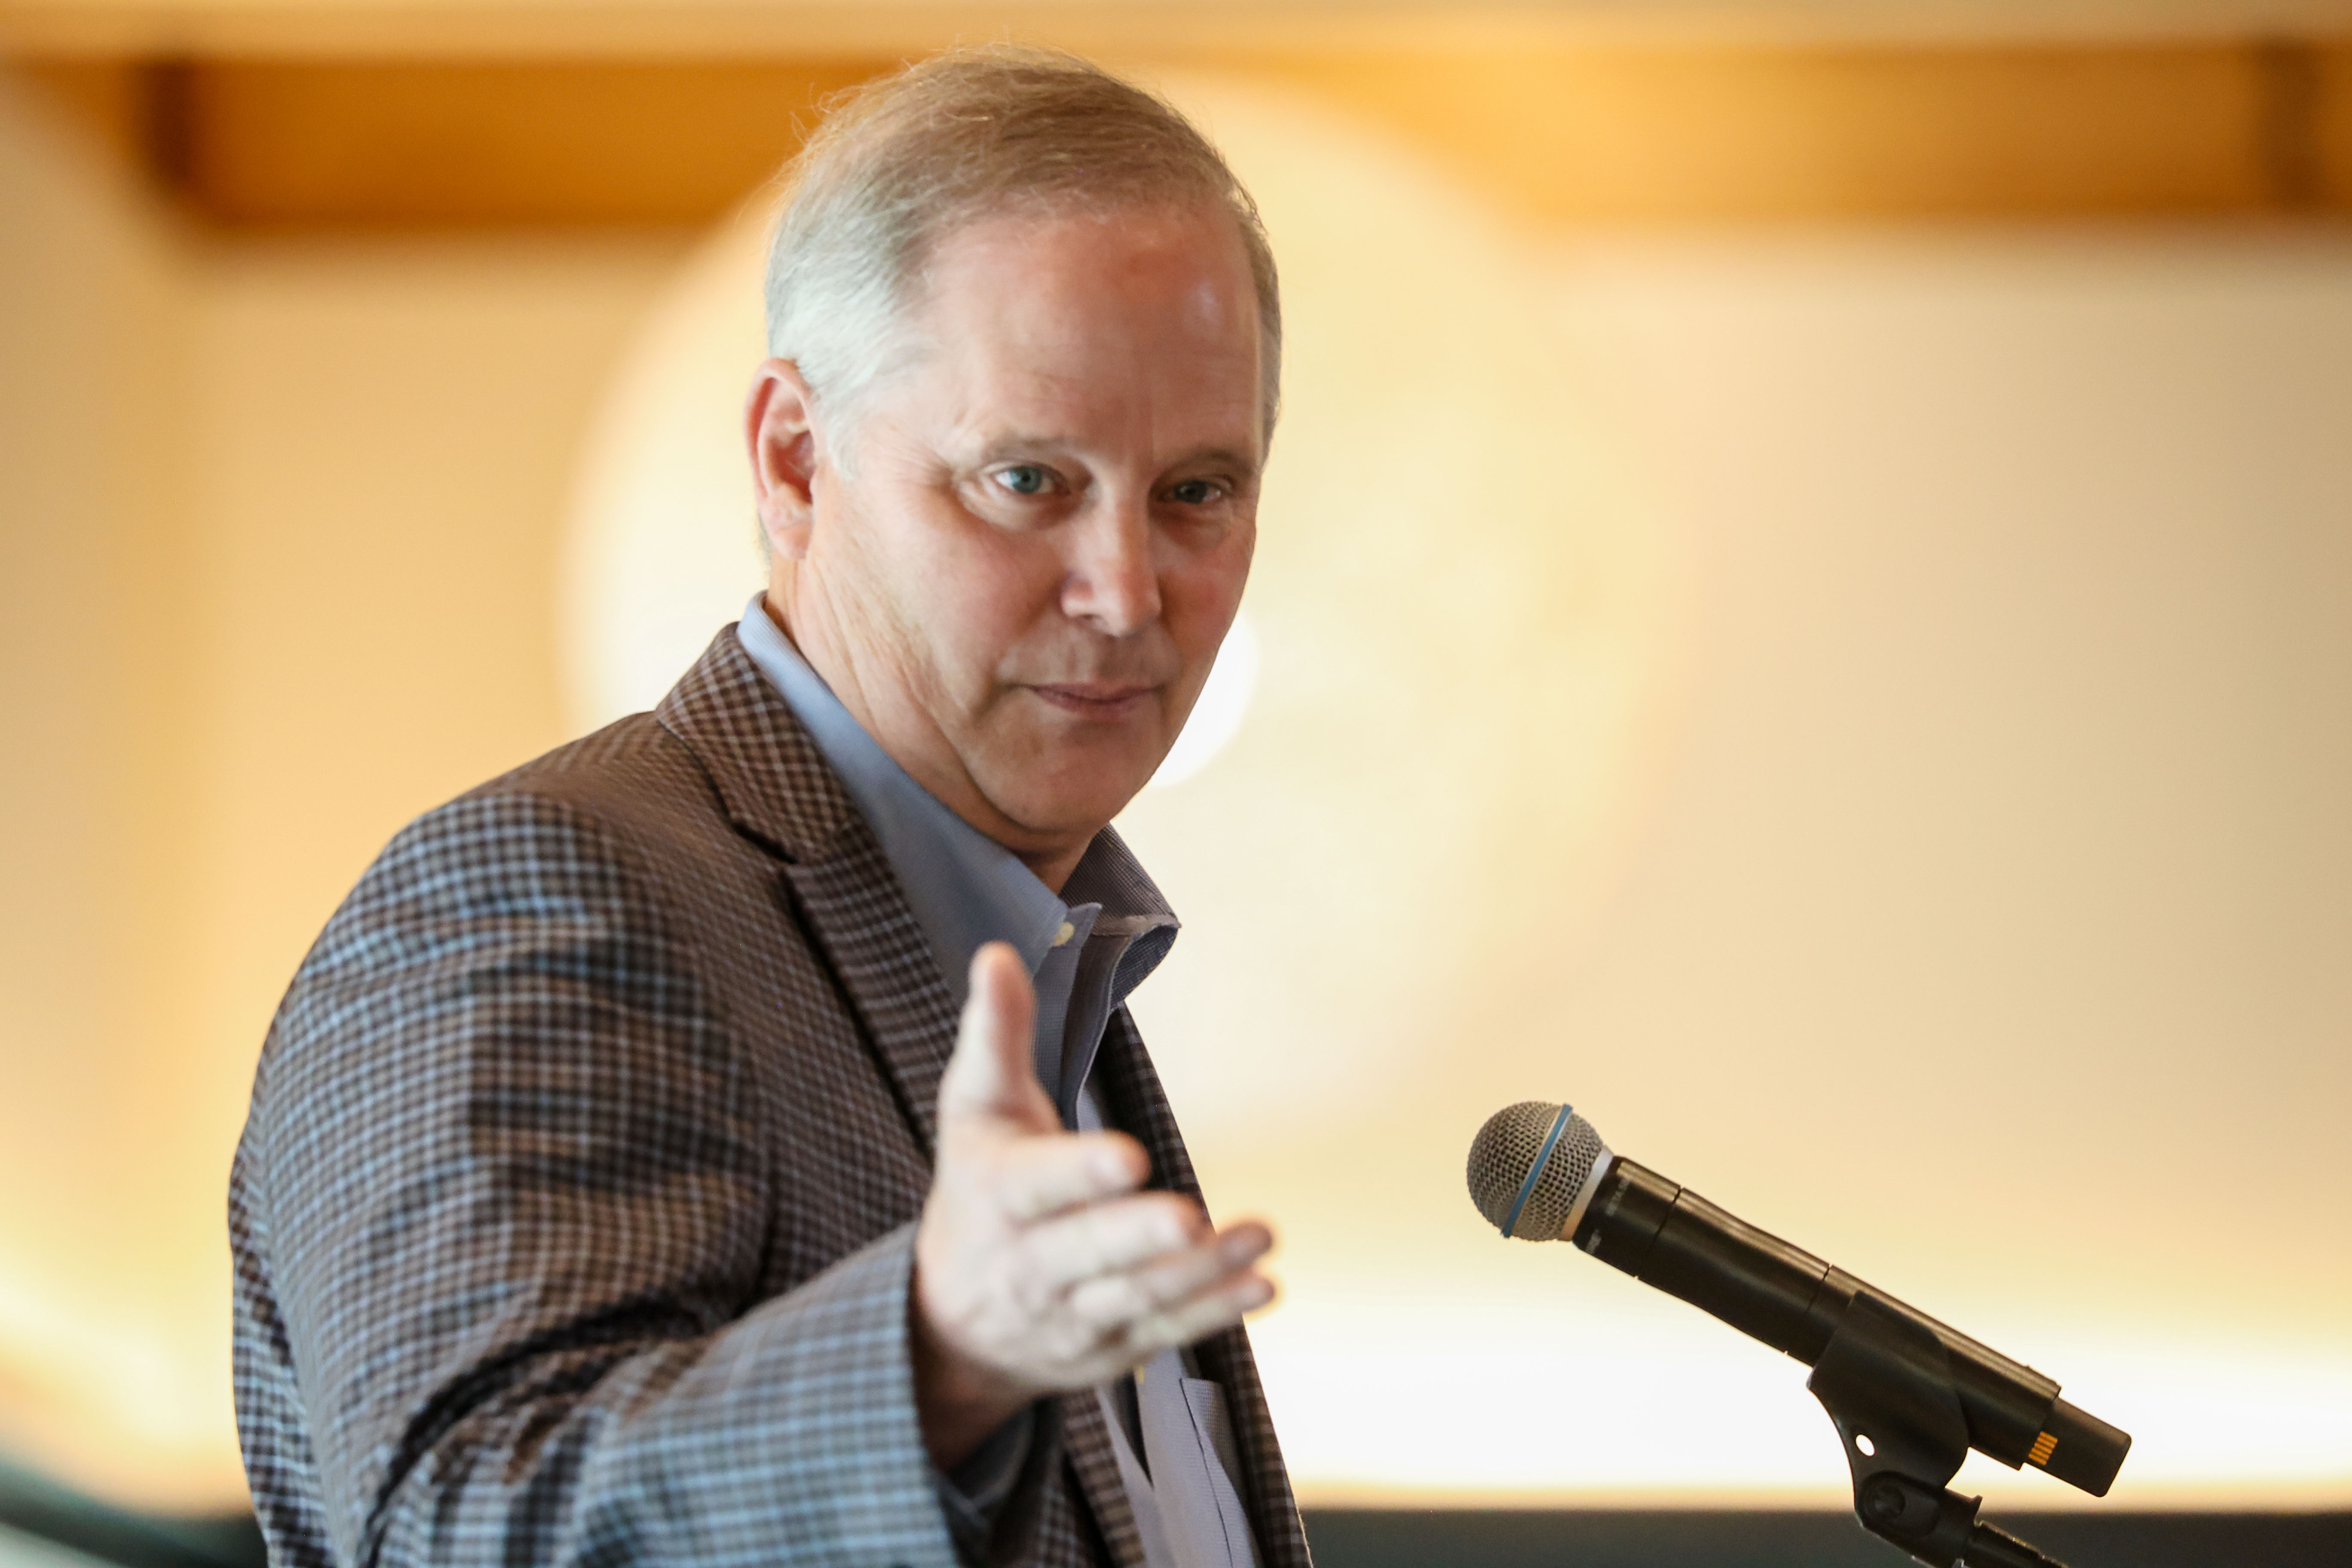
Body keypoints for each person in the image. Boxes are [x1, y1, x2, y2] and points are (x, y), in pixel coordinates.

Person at [227, 45, 1309, 1568]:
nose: (1126, 593)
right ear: (795, 462)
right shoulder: (534, 888)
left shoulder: (1056, 985)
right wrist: (937, 1358)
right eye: (1027, 481)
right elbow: (462, 1535)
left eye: (1196, 492)